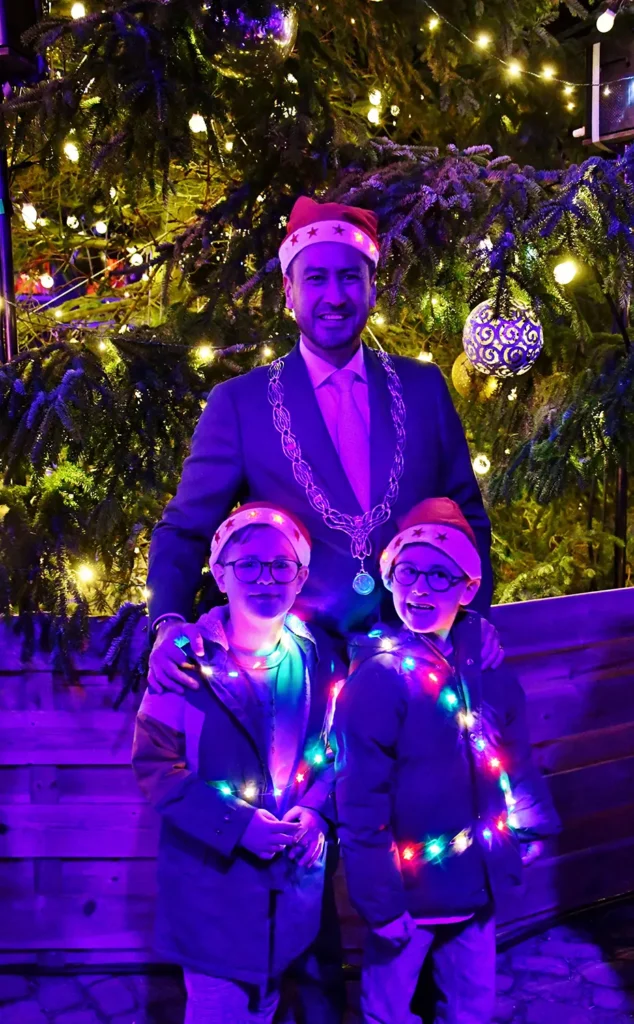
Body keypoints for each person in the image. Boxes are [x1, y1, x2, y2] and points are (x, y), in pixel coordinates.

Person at [145, 196, 503, 1023]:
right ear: (289, 291)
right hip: (299, 677)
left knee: (415, 851)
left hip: (410, 673)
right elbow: (185, 528)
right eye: (317, 278)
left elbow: (468, 516)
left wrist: (474, 617)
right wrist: (166, 621)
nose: (335, 294)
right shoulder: (241, 403)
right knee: (301, 851)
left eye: (351, 277)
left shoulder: (423, 388)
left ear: (372, 286)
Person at [334, 497, 561, 1024]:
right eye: (408, 572)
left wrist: (528, 825)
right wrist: (379, 900)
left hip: (473, 882)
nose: (420, 588)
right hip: (407, 891)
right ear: (390, 579)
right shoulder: (378, 679)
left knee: (471, 1004)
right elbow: (359, 800)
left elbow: (514, 754)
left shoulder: (486, 669)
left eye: (440, 575)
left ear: (468, 587)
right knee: (387, 1010)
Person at [132, 504, 342, 1024]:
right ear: (221, 575)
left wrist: (317, 810)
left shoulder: (315, 656)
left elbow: (331, 749)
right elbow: (156, 764)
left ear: (301, 577)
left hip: (288, 889)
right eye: (247, 565)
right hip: (213, 890)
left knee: (266, 1001)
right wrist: (235, 824)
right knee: (220, 1007)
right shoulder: (184, 661)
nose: (264, 578)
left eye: (280, 566)